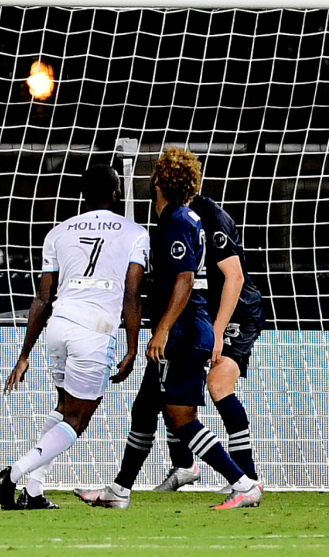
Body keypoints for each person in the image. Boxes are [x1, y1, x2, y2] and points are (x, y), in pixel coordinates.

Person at [75, 147, 263, 510]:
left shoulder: (177, 221)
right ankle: (119, 490)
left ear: (160, 181)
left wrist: (161, 331)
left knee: (181, 419)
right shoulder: (184, 219)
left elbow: (185, 279)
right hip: (185, 329)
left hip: (184, 333)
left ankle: (243, 482)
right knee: (145, 408)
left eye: (154, 172)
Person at [0, 165, 146, 510]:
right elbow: (132, 294)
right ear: (116, 194)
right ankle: (13, 474)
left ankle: (33, 490)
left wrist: (24, 354)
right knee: (78, 419)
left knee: (63, 409)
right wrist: (133, 347)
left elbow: (43, 297)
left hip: (59, 325)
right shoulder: (135, 233)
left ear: (82, 195)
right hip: (95, 330)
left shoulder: (58, 232)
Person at [148, 193, 266, 491]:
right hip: (204, 312)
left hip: (238, 310)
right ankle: (185, 466)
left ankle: (247, 476)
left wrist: (217, 330)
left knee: (218, 383)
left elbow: (235, 277)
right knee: (177, 390)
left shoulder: (212, 217)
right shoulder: (175, 217)